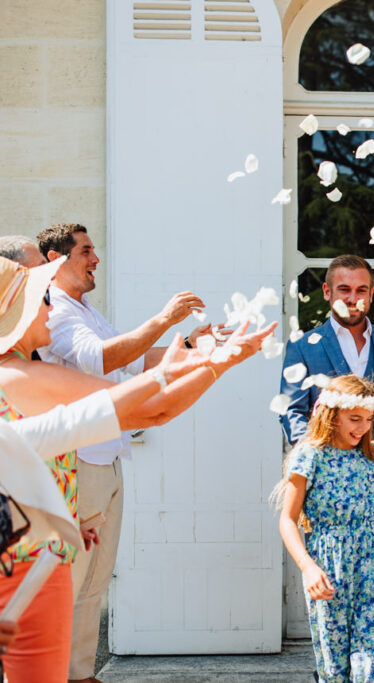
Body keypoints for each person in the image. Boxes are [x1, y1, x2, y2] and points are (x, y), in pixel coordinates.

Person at [0, 255, 273, 682]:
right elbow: (148, 410)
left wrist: (64, 516)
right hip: (25, 569)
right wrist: (219, 362)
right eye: (42, 300)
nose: (50, 309)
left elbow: (32, 457)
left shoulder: (20, 372)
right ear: (13, 312)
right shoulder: (18, 376)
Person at [34, 222, 218, 683]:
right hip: (76, 461)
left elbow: (133, 358)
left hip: (107, 455)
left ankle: (80, 673)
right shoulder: (55, 310)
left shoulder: (85, 307)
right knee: (71, 579)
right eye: (86, 251)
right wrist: (164, 319)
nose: (96, 259)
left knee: (95, 579)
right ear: (57, 260)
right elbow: (101, 359)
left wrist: (195, 347)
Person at [280, 254, 374, 604]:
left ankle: (373, 656)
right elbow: (292, 411)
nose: (353, 298)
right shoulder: (304, 347)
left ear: (372, 293)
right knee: (333, 585)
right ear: (326, 291)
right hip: (328, 489)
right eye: (344, 289)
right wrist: (317, 458)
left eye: (361, 289)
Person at [274, 374, 374, 682]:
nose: (362, 427)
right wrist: (307, 567)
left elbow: (372, 510)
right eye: (354, 419)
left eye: (368, 419)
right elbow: (287, 519)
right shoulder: (309, 456)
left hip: (371, 566)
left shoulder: (370, 454)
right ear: (331, 414)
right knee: (335, 664)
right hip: (329, 566)